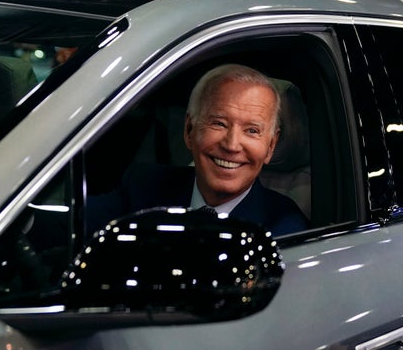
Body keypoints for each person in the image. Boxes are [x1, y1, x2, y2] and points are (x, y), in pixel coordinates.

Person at [87, 63, 308, 236]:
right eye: (219, 123)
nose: (231, 145)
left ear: (270, 146)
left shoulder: (284, 228)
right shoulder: (144, 186)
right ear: (189, 130)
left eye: (251, 131)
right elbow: (66, 225)